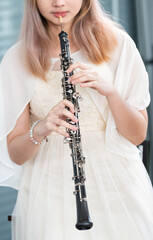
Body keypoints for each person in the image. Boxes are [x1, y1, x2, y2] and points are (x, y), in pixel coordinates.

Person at [0, 0, 153, 239]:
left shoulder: (118, 44)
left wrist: (110, 92)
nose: (58, 2)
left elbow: (137, 134)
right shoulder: (17, 58)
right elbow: (16, 154)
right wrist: (41, 128)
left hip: (118, 185)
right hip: (49, 189)